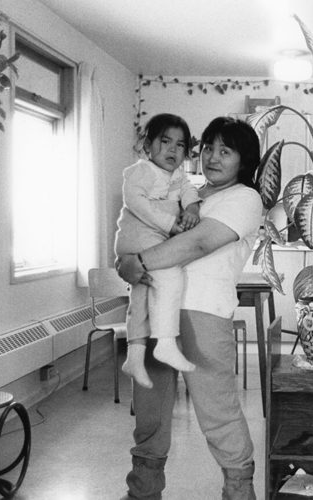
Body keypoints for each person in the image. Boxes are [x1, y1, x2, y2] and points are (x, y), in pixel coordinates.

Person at [117, 116, 263, 500]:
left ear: (243, 161)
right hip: (154, 309)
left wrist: (140, 262)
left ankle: (238, 492)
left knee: (218, 413)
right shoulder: (189, 192)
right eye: (209, 148)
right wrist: (125, 260)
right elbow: (139, 228)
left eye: (225, 151)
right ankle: (142, 492)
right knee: (149, 413)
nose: (213, 157)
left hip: (202, 314)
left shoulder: (245, 199)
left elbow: (197, 244)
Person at [114, 113, 199, 390]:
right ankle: (165, 342)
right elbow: (136, 202)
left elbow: (188, 192)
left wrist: (192, 208)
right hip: (139, 237)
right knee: (172, 277)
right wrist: (170, 224)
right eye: (165, 142)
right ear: (148, 145)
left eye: (180, 145)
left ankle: (135, 356)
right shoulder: (141, 171)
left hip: (152, 240)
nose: (173, 150)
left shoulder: (178, 176)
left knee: (140, 299)